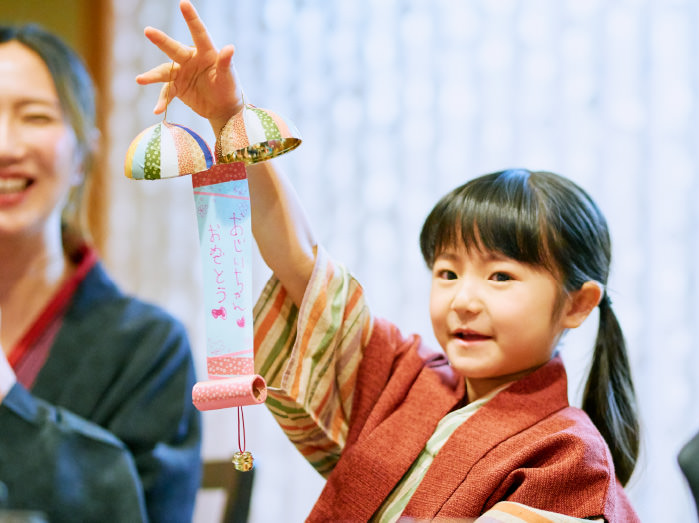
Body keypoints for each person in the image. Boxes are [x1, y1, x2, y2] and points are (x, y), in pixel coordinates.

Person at [137, 2, 641, 521]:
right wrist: (229, 118)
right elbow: (302, 267)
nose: (464, 300)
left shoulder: (568, 459)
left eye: (500, 277)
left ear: (577, 304)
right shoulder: (407, 377)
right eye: (447, 273)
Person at [0, 23, 201, 522]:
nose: (5, 145)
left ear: (82, 156)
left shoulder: (148, 350)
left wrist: (8, 402)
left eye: (35, 116)